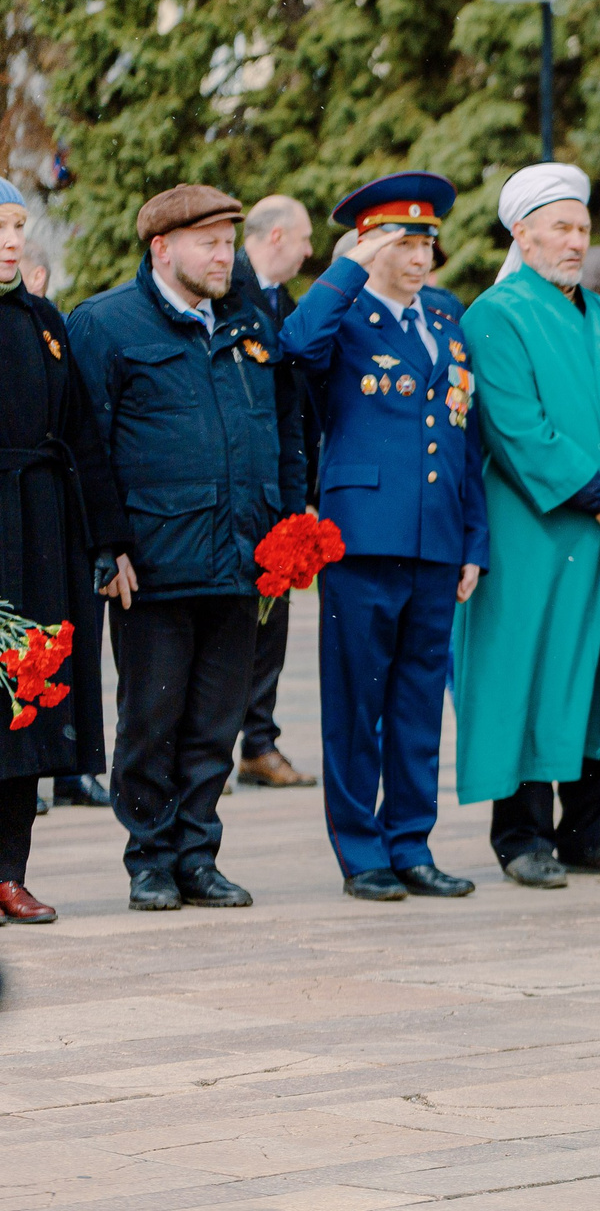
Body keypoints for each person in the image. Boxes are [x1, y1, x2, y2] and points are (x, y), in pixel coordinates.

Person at [68, 185, 304, 911]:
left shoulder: (252, 320)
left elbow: (287, 425)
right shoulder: (106, 323)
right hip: (154, 564)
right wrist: (108, 547)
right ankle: (150, 858)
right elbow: (86, 448)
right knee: (151, 719)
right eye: (208, 242)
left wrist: (289, 523)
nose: (223, 255)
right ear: (162, 248)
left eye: (230, 241)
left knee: (216, 722)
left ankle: (199, 854)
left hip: (242, 559)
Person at [452, 165, 600, 887]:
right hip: (542, 537)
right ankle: (521, 835)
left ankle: (592, 826)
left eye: (582, 227)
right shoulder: (496, 313)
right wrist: (597, 494)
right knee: (531, 674)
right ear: (521, 232)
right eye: (560, 226)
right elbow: (518, 427)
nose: (575, 240)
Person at [278, 174, 488, 901]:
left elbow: (466, 435)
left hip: (435, 539)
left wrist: (473, 540)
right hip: (362, 538)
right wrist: (348, 267)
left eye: (427, 239)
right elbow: (297, 343)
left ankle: (410, 841)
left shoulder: (445, 316)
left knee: (417, 703)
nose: (419, 253)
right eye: (403, 239)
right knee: (356, 701)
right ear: (371, 245)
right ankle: (361, 850)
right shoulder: (344, 314)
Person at [0, 181, 133, 921]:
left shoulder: (46, 321)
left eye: (18, 225)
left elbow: (83, 436)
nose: (13, 241)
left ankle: (9, 871)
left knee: (28, 695)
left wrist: (109, 540)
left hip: (42, 528)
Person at [230, 193, 320, 791]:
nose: (312, 250)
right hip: (232, 487)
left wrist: (300, 498)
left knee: (273, 619)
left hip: (278, 490)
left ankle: (258, 743)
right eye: (306, 237)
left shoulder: (284, 305)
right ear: (278, 236)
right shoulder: (225, 292)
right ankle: (216, 747)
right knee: (231, 622)